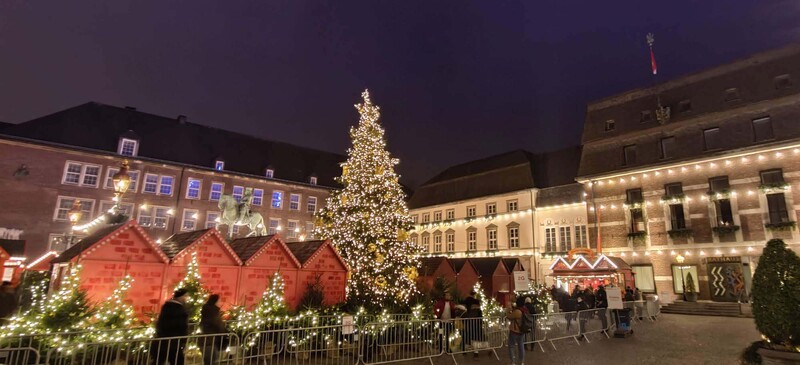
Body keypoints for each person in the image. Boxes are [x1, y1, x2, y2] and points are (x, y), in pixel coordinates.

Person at [153, 289, 190, 365]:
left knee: (159, 360)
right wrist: (184, 340)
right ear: (180, 297)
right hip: (174, 340)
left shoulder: (166, 306)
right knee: (177, 361)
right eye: (185, 296)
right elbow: (182, 326)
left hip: (162, 339)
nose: (187, 298)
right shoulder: (179, 309)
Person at [200, 294, 227, 365]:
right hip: (211, 339)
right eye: (219, 300)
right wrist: (225, 333)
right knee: (212, 360)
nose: (220, 302)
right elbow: (218, 324)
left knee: (209, 360)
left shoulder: (206, 309)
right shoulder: (213, 311)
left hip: (206, 339)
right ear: (215, 301)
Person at [507, 296, 528, 365]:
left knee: (511, 346)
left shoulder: (518, 311)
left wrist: (508, 310)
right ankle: (521, 362)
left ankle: (513, 362)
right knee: (521, 346)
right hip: (522, 331)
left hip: (515, 331)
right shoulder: (525, 310)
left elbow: (509, 316)